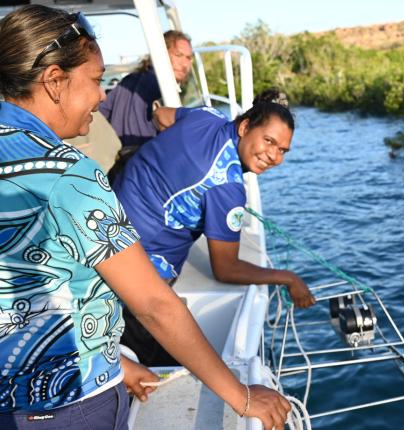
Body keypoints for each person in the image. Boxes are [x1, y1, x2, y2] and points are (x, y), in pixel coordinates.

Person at [0, 6, 289, 429]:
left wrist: (116, 359)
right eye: (96, 80)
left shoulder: (203, 120)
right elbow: (154, 305)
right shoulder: (69, 177)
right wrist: (243, 396)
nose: (103, 95)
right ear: (54, 81)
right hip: (70, 404)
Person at [111, 89, 317, 366]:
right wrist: (289, 278)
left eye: (282, 150)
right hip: (138, 270)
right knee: (175, 365)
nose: (274, 157)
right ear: (245, 127)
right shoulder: (227, 187)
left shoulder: (207, 116)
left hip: (109, 219)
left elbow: (161, 116)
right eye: (269, 141)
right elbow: (225, 269)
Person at [99, 30, 193, 148]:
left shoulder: (128, 80)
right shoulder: (162, 90)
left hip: (117, 156)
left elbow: (101, 113)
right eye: (178, 55)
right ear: (161, 54)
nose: (184, 64)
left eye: (188, 58)